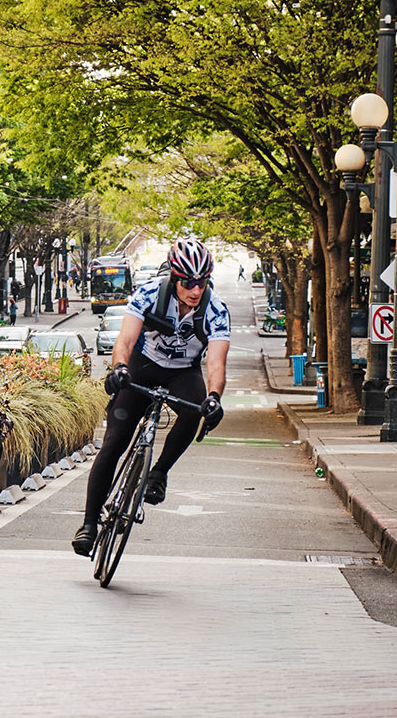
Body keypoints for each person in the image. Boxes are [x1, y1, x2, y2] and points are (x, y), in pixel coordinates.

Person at [72, 237, 231, 556]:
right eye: (188, 282)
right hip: (142, 365)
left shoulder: (215, 310)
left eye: (201, 282)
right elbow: (126, 340)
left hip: (183, 372)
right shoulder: (148, 293)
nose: (195, 290)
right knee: (114, 443)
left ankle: (159, 473)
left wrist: (214, 396)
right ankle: (89, 524)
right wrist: (118, 368)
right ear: (174, 277)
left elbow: (215, 362)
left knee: (194, 411)